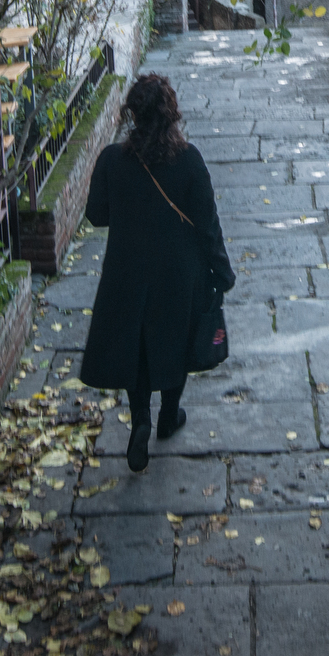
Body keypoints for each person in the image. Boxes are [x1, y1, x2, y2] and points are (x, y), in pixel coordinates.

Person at [78, 73, 235, 472]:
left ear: (133, 115)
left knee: (139, 346)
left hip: (127, 271)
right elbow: (208, 225)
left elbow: (96, 215)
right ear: (171, 114)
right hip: (179, 273)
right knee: (175, 341)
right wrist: (223, 271)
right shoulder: (189, 161)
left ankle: (141, 421)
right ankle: (168, 415)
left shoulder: (112, 159)